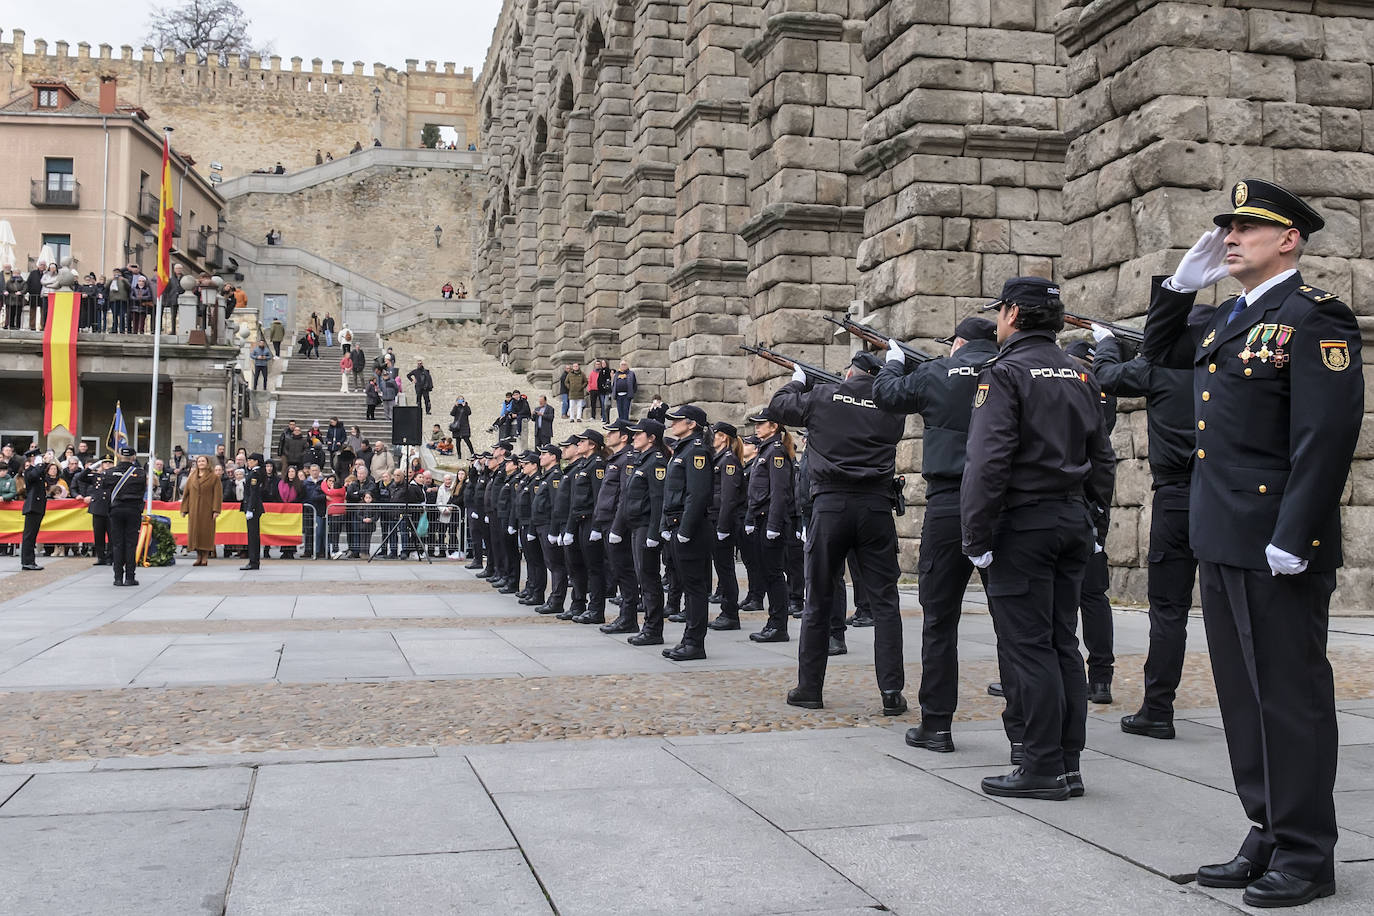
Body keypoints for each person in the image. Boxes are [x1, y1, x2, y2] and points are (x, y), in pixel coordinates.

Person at [1141, 180, 1362, 907]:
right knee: (1244, 697)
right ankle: (1266, 828)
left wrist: (1295, 533)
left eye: (1247, 228)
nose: (1230, 237)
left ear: (1289, 239)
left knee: (1289, 699)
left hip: (1276, 541)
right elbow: (1161, 354)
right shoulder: (1229, 315)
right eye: (1227, 228)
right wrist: (1177, 285)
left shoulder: (1314, 318)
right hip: (1223, 533)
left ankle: (1307, 853)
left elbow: (1323, 440)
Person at [962, 276, 1115, 802]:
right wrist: (1096, 520)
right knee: (1061, 642)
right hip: (1071, 518)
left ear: (1010, 314)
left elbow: (987, 460)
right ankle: (1067, 761)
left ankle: (1041, 764)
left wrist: (976, 533)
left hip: (1023, 523)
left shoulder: (1002, 374)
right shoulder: (1080, 372)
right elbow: (1103, 455)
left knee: (1027, 647)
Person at [872, 316, 1004, 753]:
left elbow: (886, 396)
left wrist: (893, 361)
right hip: (1006, 503)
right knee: (1015, 623)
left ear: (959, 343)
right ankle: (1024, 738)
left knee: (940, 620)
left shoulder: (936, 372)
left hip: (950, 504)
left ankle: (938, 725)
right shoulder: (1010, 367)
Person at [770, 350, 908, 715]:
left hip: (831, 505)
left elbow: (778, 406)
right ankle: (891, 692)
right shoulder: (891, 404)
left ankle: (810, 688)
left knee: (819, 598)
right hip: (876, 506)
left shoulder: (823, 396)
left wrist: (800, 378)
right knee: (885, 602)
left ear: (849, 372)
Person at [1089, 322, 1196, 740]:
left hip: (1175, 498)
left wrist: (1107, 344)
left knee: (1169, 610)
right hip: (1228, 496)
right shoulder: (1224, 367)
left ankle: (1158, 708)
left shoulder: (1159, 369)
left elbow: (1108, 376)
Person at [657, 404, 715, 660]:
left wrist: (686, 528)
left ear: (691, 424)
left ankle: (695, 643)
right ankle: (688, 638)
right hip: (677, 524)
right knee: (687, 585)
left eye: (678, 420)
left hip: (690, 527)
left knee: (695, 587)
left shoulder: (696, 451)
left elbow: (698, 493)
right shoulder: (683, 449)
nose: (672, 423)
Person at [743, 406, 796, 643]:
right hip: (761, 518)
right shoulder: (765, 450)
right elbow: (756, 492)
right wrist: (750, 519)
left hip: (771, 520)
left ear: (774, 426)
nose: (757, 427)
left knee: (774, 575)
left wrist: (774, 523)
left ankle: (778, 625)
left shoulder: (775, 452)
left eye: (760, 423)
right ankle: (772, 622)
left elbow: (780, 491)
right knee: (767, 573)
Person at [615, 418, 670, 644]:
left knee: (649, 579)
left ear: (651, 438)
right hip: (636, 525)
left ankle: (653, 629)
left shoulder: (655, 462)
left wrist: (654, 534)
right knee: (642, 576)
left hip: (646, 526)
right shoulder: (642, 460)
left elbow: (658, 500)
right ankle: (648, 625)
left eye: (639, 434)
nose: (634, 437)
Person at [592, 419, 637, 631]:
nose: (608, 436)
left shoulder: (627, 458)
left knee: (624, 572)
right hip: (606, 520)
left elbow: (625, 496)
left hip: (615, 522)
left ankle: (628, 618)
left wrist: (618, 527)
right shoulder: (615, 458)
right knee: (618, 571)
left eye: (612, 432)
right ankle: (625, 616)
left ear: (624, 437)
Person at [560, 429, 607, 622]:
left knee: (594, 568)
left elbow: (598, 498)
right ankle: (578, 604)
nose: (578, 444)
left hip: (590, 520)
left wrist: (597, 526)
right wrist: (570, 529)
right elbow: (575, 501)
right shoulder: (583, 465)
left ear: (592, 444)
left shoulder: (597, 465)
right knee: (577, 566)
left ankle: (596, 609)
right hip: (579, 521)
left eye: (582, 441)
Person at [105, 447, 148, 586]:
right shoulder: (140, 473)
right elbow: (143, 490)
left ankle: (117, 577)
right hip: (133, 510)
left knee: (117, 544)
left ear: (119, 456)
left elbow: (104, 490)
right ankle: (130, 577)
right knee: (130, 544)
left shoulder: (110, 472)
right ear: (133, 457)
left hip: (116, 510)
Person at [181, 455, 222, 566]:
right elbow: (186, 494)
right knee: (195, 533)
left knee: (206, 533)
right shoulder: (192, 477)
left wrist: (216, 510)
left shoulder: (214, 477)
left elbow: (217, 495)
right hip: (194, 509)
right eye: (199, 461)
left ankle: (205, 557)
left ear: (207, 463)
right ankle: (198, 556)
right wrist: (184, 509)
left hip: (207, 510)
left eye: (203, 461)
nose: (201, 463)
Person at [19, 449, 48, 570]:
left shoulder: (37, 470)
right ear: (32, 458)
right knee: (29, 536)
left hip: (38, 506)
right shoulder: (29, 471)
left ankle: (30, 561)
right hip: (32, 506)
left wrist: (44, 464)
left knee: (33, 535)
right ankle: (27, 561)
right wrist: (41, 464)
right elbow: (34, 476)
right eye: (37, 457)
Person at [240, 453, 266, 570]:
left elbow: (253, 492)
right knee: (252, 535)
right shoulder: (253, 472)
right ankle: (253, 560)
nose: (249, 462)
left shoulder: (255, 474)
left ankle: (254, 561)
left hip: (253, 507)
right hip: (252, 506)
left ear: (256, 462)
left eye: (251, 460)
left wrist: (250, 509)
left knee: (253, 536)